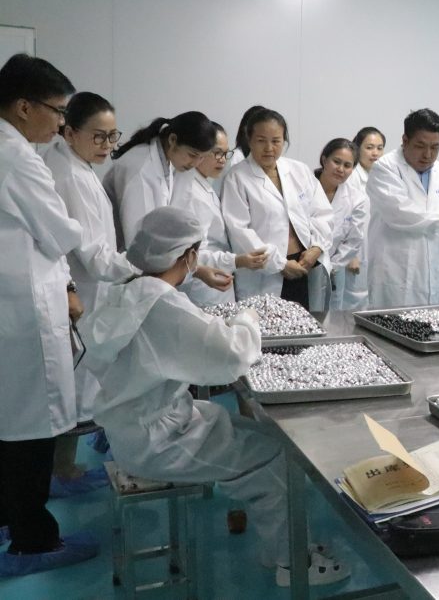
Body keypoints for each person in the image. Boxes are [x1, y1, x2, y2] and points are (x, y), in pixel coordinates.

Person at [76, 207, 348, 586]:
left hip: (140, 424)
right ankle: (292, 563)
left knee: (269, 436)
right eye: (196, 253)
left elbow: (187, 341)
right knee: (273, 461)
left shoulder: (129, 290)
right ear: (188, 256)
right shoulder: (162, 305)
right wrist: (247, 319)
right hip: (159, 441)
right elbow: (230, 357)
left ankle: (278, 542)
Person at [0, 53, 98, 577]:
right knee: (30, 429)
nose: (61, 122)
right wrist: (79, 233)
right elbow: (61, 232)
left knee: (12, 423)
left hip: (15, 304)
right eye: (57, 111)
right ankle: (33, 542)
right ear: (23, 107)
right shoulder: (17, 157)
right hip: (22, 313)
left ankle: (10, 523)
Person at [43, 92, 137, 494]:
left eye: (113, 136)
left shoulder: (75, 165)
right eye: (99, 136)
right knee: (73, 386)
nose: (108, 146)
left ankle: (65, 467)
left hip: (86, 290)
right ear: (69, 132)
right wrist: (143, 266)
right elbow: (96, 257)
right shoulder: (70, 176)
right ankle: (62, 472)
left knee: (75, 385)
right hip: (81, 291)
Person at [103, 110, 233, 295]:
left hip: (143, 273)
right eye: (192, 155)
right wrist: (193, 270)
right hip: (124, 272)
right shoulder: (141, 170)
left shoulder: (168, 163)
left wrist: (195, 269)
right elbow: (142, 246)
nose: (195, 163)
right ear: (172, 140)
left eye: (202, 157)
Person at [365, 109, 439, 308]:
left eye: (435, 147)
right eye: (420, 146)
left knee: (424, 322)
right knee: (391, 323)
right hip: (393, 273)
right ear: (405, 140)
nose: (428, 155)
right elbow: (399, 214)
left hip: (429, 274)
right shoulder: (385, 168)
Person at [221, 108, 333, 310]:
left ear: (284, 141)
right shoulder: (237, 178)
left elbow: (321, 213)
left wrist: (316, 248)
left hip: (304, 264)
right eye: (261, 140)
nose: (269, 148)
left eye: (276, 141)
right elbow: (239, 232)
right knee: (268, 323)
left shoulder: (299, 170)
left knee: (305, 323)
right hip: (266, 272)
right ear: (249, 139)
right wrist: (279, 264)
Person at [174, 123, 268, 307]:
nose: (223, 160)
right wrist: (237, 261)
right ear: (200, 151)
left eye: (226, 154)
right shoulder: (191, 193)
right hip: (203, 285)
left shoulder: (202, 184)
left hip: (215, 282)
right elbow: (193, 253)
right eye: (217, 153)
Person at [316, 138, 368, 310]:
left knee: (331, 315)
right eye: (336, 162)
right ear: (324, 160)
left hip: (334, 269)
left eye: (347, 165)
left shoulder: (356, 199)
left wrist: (332, 265)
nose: (341, 169)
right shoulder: (304, 188)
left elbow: (354, 240)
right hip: (302, 265)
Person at [342, 126, 386, 310]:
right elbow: (344, 218)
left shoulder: (383, 177)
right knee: (353, 303)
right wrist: (350, 255)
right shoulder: (351, 178)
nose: (375, 153)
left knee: (374, 302)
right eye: (369, 147)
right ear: (358, 148)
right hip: (357, 253)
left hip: (377, 250)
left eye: (379, 148)